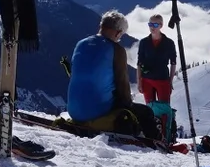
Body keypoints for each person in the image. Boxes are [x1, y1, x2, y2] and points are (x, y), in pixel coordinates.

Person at [66, 11, 166, 142]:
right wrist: (128, 106)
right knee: (145, 112)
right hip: (97, 111)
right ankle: (159, 144)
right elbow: (122, 84)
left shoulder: (81, 43)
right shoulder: (116, 49)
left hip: (73, 110)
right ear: (118, 33)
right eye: (121, 36)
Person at [136, 12, 179, 142]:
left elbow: (173, 63)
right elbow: (139, 62)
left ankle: (166, 136)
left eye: (155, 24)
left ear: (161, 26)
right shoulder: (144, 42)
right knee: (149, 108)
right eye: (150, 24)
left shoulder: (169, 43)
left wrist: (170, 80)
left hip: (162, 79)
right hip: (147, 79)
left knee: (164, 108)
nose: (152, 27)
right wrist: (139, 81)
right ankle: (151, 134)